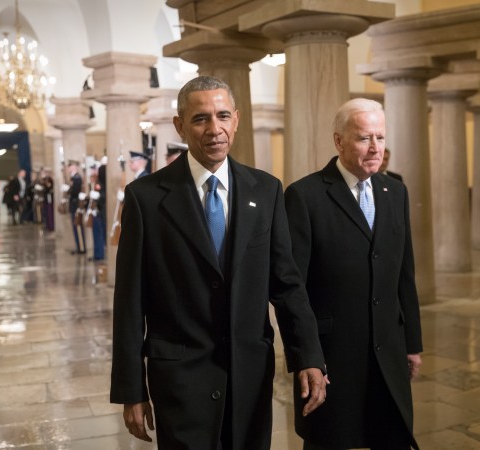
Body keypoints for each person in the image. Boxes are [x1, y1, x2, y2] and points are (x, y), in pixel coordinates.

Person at [111, 75, 327, 450]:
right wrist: (131, 388)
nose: (215, 129)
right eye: (200, 119)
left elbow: (287, 284)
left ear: (236, 120)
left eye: (223, 116)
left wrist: (308, 355)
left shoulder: (267, 190)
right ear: (180, 125)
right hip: (180, 380)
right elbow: (130, 302)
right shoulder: (145, 199)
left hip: (249, 377)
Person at [284, 98, 423, 450]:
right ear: (339, 141)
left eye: (380, 137)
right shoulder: (305, 196)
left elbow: (404, 273)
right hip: (332, 355)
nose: (376, 147)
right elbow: (292, 288)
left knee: (392, 436)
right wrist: (306, 357)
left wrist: (412, 344)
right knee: (331, 439)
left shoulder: (395, 192)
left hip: (388, 350)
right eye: (364, 138)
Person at [65, 160, 86, 254]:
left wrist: (68, 190)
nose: (69, 168)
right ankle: (78, 246)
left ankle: (81, 247)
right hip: (73, 204)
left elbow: (76, 192)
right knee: (75, 226)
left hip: (76, 205)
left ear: (75, 167)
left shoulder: (77, 178)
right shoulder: (73, 177)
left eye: (71, 166)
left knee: (77, 226)